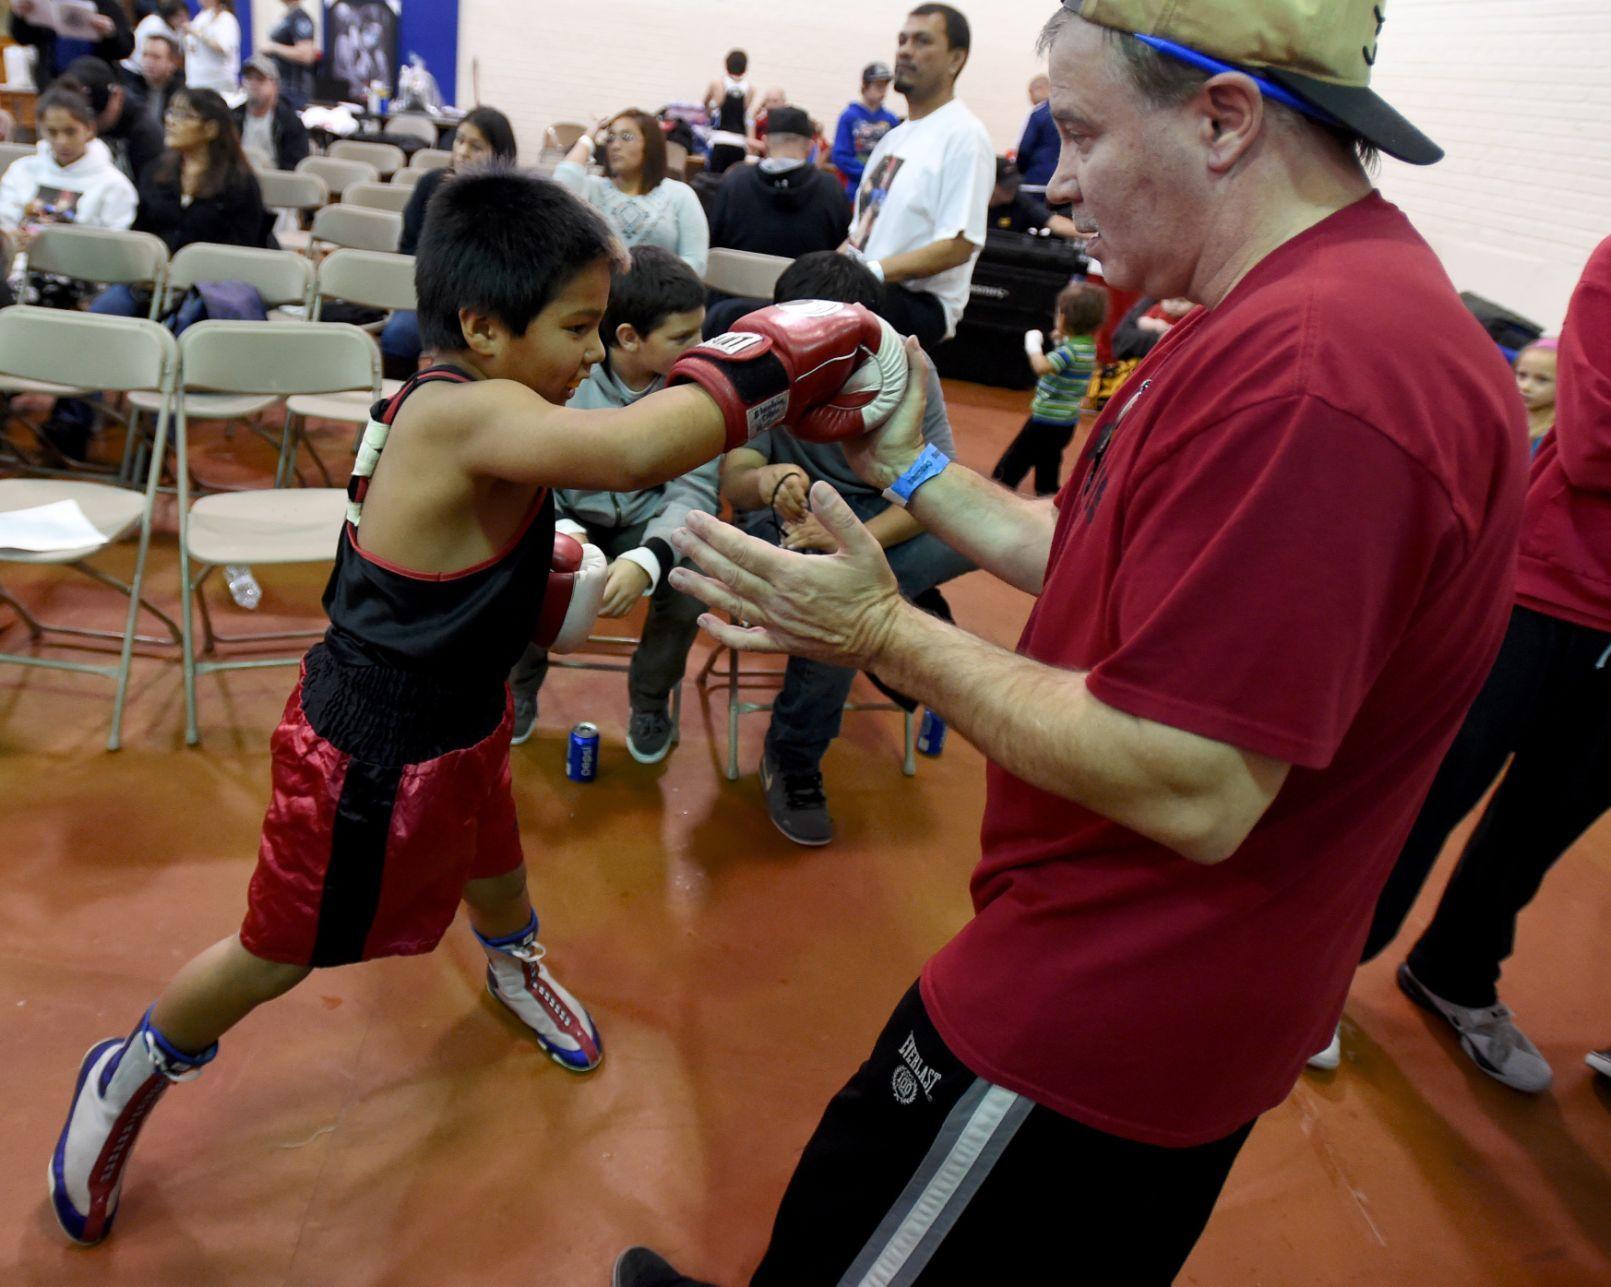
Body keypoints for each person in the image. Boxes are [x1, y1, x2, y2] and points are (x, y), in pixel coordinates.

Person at [617, 1, 1527, 1280]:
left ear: (1223, 119)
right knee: (849, 1200)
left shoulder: (1324, 376)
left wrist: (879, 627)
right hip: (1090, 943)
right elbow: (1096, 554)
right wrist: (914, 462)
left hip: (1118, 998)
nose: (1052, 181)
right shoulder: (1273, 313)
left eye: (1083, 132)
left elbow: (1198, 780)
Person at [48, 165, 910, 1248]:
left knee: (494, 851)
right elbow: (642, 446)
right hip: (369, 746)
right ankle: (127, 1073)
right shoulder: (467, 416)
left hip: (460, 712)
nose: (597, 353)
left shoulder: (489, 406)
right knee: (279, 948)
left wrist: (596, 572)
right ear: (485, 327)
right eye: (580, 327)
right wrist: (797, 347)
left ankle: (513, 964)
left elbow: (544, 545)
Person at [1327, 237, 1611, 1093]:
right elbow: (1593, 441)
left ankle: (1453, 971)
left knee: (1537, 829)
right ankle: (1315, 974)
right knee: (1424, 793)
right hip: (1543, 590)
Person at [717, 251, 973, 846]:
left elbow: (930, 483)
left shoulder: (909, 368)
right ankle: (795, 755)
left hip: (874, 519)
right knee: (834, 597)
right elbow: (735, 478)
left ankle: (888, 609)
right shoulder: (763, 362)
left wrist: (853, 541)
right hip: (790, 521)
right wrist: (772, 482)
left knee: (970, 531)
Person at [508, 246, 716, 759]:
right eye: (684, 337)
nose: (703, 345)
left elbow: (695, 490)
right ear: (628, 337)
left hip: (647, 524)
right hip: (566, 516)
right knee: (527, 562)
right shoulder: (562, 375)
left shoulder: (700, 389)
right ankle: (516, 687)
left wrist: (648, 560)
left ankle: (649, 700)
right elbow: (530, 471)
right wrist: (566, 537)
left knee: (692, 578)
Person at [843, 4, 994, 350]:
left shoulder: (964, 135)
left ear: (956, 59)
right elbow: (858, 236)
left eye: (922, 41)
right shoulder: (892, 139)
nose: (905, 50)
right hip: (870, 290)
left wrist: (871, 274)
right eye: (902, 40)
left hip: (918, 305)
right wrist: (823, 272)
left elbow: (959, 245)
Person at [90, 88, 272, 319]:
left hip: (213, 289)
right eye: (170, 112)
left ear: (211, 128)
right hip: (149, 284)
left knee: (187, 321)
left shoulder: (240, 184)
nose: (170, 121)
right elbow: (139, 232)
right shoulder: (156, 172)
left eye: (184, 115)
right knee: (105, 311)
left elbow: (243, 251)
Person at [379, 105, 518, 379]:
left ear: (499, 154)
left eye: (476, 146)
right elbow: (408, 246)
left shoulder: (511, 199)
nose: (462, 151)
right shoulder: (431, 184)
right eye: (459, 140)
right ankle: (400, 407)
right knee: (398, 335)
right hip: (430, 295)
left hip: (485, 303)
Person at [555, 110, 709, 278]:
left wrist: (647, 286)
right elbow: (560, 189)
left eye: (626, 137)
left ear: (650, 144)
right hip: (601, 297)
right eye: (610, 138)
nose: (615, 145)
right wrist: (588, 137)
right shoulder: (592, 188)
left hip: (660, 297)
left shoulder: (680, 195)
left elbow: (696, 263)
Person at [990, 281, 1105, 495]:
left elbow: (1042, 367)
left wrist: (1032, 345)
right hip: (1066, 422)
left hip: (1045, 420)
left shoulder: (1068, 352)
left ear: (1064, 318)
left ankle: (998, 491)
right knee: (1048, 462)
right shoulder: (1087, 347)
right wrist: (1062, 337)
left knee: (1015, 461)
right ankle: (1048, 493)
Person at [708, 106, 850, 262]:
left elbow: (712, 242)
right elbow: (842, 252)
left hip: (736, 284)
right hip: (806, 284)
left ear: (764, 142)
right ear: (810, 146)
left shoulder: (734, 181)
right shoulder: (831, 188)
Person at [0, 84, 137, 245]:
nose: (61, 142)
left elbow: (112, 248)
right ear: (41, 131)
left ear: (89, 130)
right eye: (52, 132)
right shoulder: (21, 170)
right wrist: (10, 238)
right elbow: (4, 222)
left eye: (70, 132)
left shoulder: (115, 185)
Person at [58, 55, 165, 185]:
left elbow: (152, 195)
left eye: (95, 116)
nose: (89, 127)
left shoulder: (145, 132)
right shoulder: (61, 128)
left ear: (117, 96)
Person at [9, 0, 132, 82]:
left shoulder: (105, 4)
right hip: (53, 84)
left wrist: (110, 34)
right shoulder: (43, 3)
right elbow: (22, 38)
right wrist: (20, 15)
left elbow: (126, 48)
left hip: (96, 84)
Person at [232, 53, 311, 172]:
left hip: (277, 184)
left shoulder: (290, 123)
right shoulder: (232, 118)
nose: (253, 84)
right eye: (249, 78)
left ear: (275, 85)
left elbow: (295, 167)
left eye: (260, 79)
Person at [831, 63, 900, 196]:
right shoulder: (849, 116)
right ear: (865, 85)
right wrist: (868, 173)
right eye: (878, 86)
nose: (883, 91)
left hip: (882, 190)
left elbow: (895, 154)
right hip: (854, 188)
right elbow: (840, 155)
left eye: (885, 86)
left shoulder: (891, 120)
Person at [986, 155, 1077, 237]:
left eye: (1014, 184)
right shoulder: (974, 202)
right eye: (1007, 186)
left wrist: (1089, 236)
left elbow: (1053, 222)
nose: (1012, 189)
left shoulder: (1019, 200)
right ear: (991, 184)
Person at [119, 28, 185, 131]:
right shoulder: (132, 89)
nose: (149, 62)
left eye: (156, 57)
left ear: (172, 63)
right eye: (145, 55)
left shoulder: (182, 94)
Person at [261, 0, 320, 110]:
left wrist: (274, 48)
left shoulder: (300, 18)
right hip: (281, 86)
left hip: (295, 89)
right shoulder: (288, 16)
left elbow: (306, 55)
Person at [703, 49, 753, 176]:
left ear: (726, 65)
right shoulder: (750, 89)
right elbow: (744, 112)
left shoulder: (718, 84)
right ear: (745, 68)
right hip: (739, 143)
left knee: (714, 180)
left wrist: (711, 108)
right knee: (733, 183)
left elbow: (705, 104)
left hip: (720, 140)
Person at [184, 0, 244, 98]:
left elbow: (221, 47)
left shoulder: (226, 19)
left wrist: (196, 33)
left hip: (218, 86)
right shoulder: (201, 17)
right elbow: (194, 48)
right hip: (196, 83)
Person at [1513, 337, 1558, 453]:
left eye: (1542, 380)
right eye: (1522, 375)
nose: (1525, 387)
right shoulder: (1508, 413)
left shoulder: (1551, 434)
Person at [123, 0, 188, 76]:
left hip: (149, 72)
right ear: (170, 16)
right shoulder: (154, 24)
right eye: (179, 16)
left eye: (185, 15)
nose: (184, 19)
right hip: (133, 68)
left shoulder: (179, 28)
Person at [1016, 74, 1060, 186]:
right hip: (1059, 174)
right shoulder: (1064, 113)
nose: (1030, 98)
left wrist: (1018, 170)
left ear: (1041, 89)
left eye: (1030, 92)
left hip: (1037, 174)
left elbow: (1025, 148)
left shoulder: (1039, 114)